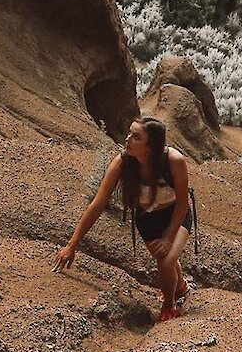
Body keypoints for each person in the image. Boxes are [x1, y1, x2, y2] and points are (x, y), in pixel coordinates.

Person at [53, 116, 193, 323]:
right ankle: (179, 286)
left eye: (136, 137)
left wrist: (169, 236)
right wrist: (71, 245)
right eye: (129, 133)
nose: (127, 139)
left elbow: (183, 202)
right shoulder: (122, 161)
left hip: (176, 215)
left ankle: (169, 306)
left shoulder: (174, 161)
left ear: (151, 145)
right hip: (147, 220)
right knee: (164, 260)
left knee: (167, 259)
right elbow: (97, 204)